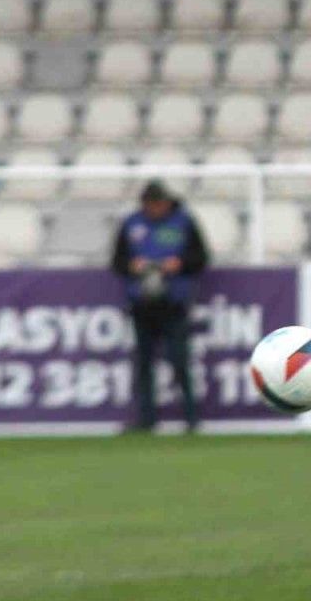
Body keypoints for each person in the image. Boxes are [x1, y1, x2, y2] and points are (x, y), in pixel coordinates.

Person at [110, 180, 209, 433]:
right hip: (142, 303)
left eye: (159, 203)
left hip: (174, 303)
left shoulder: (183, 222)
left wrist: (179, 264)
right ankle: (146, 419)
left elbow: (200, 258)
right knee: (143, 363)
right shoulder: (132, 224)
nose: (155, 208)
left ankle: (191, 418)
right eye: (151, 204)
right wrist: (133, 266)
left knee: (179, 360)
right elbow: (118, 261)